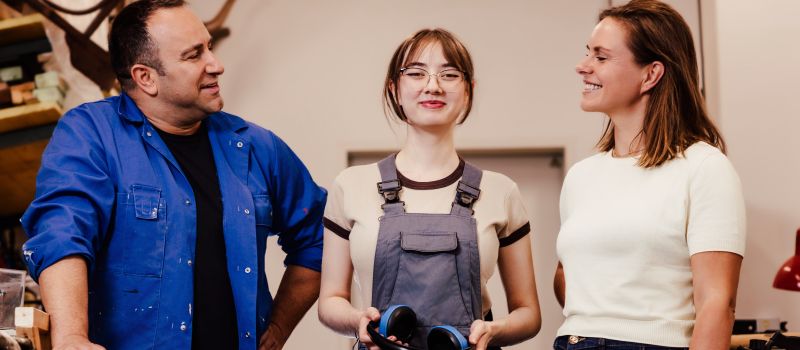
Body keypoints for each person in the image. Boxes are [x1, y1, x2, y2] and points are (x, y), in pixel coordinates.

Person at [20, 1, 326, 349]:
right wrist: (71, 337)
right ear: (145, 77)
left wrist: (278, 329)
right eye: (194, 55)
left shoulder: (256, 147)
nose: (217, 64)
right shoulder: (91, 134)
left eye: (209, 47)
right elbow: (62, 233)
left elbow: (320, 237)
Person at [318, 28, 541, 350]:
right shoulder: (350, 186)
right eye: (417, 73)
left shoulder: (502, 191)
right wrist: (358, 322)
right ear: (394, 88)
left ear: (468, 91)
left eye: (449, 74)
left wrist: (494, 330)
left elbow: (529, 313)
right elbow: (330, 300)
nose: (433, 86)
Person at [553, 1, 746, 349]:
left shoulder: (704, 168)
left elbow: (717, 304)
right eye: (587, 54)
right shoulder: (581, 176)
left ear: (651, 74)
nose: (582, 67)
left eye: (601, 57)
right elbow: (570, 278)